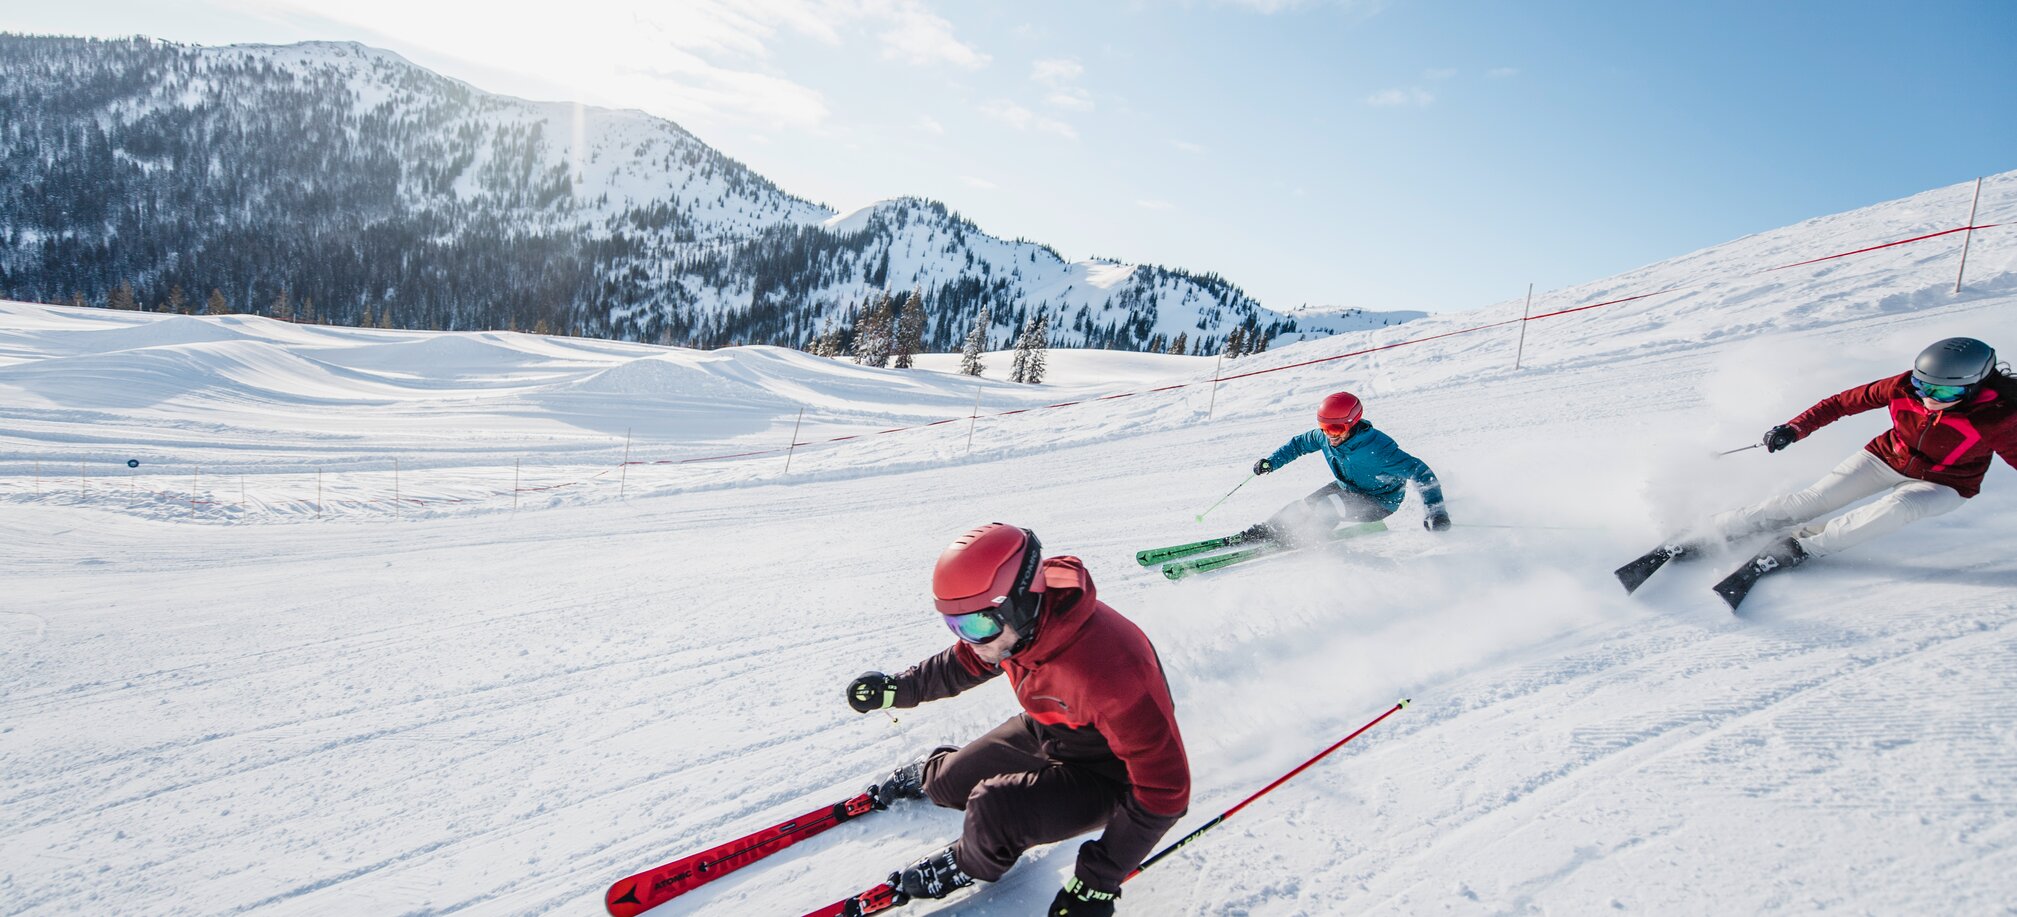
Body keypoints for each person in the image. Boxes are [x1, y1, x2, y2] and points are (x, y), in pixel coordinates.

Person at [843, 523, 1190, 917]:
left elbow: (1166, 791)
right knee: (947, 783)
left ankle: (970, 862)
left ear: (1019, 602)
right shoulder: (1017, 630)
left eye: (976, 625)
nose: (972, 640)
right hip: (1054, 728)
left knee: (993, 810)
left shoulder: (1111, 672)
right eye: (956, 625)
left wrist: (1097, 883)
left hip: (1107, 774)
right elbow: (965, 660)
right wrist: (898, 689)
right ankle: (935, 774)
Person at [1706, 337, 2017, 595]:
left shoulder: (1997, 418)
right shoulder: (1901, 386)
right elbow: (1842, 403)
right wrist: (1795, 428)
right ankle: (1718, 527)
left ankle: (1800, 547)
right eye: (1924, 387)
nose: (1929, 399)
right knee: (1811, 501)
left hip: (1946, 482)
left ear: (1975, 385)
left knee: (1898, 507)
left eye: (1946, 392)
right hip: (1885, 457)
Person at [1243, 390, 1451, 544]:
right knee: (1305, 506)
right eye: (1325, 427)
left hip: (1379, 501)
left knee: (1327, 507)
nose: (1330, 434)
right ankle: (1268, 530)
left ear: (1352, 422)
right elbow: (1298, 445)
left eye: (1336, 428)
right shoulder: (1324, 437)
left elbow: (1421, 473)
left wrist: (1436, 512)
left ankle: (1308, 539)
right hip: (1348, 488)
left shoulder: (1379, 448)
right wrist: (1271, 462)